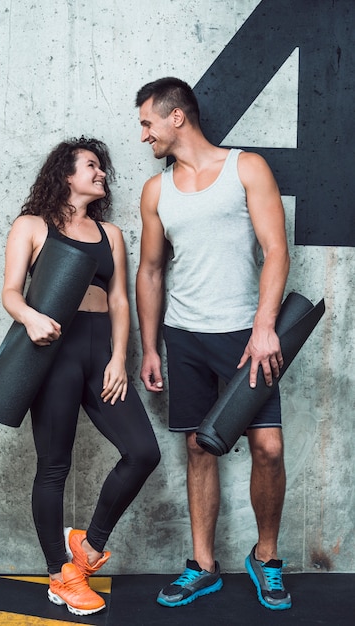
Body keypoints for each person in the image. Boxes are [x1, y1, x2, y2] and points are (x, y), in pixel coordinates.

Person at [135, 77, 291, 611]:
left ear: (176, 116)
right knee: (200, 447)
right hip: (185, 334)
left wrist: (265, 325)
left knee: (267, 448)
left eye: (146, 122)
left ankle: (266, 557)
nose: (143, 135)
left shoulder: (246, 168)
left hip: (247, 335)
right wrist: (151, 346)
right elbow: (151, 271)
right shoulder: (157, 191)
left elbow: (276, 250)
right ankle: (203, 565)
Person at [1, 137, 160, 617]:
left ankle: (88, 549)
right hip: (51, 353)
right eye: (92, 166)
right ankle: (58, 574)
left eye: (102, 169)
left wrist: (119, 357)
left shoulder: (110, 234)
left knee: (142, 452)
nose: (102, 175)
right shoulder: (31, 226)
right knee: (54, 466)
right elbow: (10, 292)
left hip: (99, 353)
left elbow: (118, 301)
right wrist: (29, 317)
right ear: (65, 174)